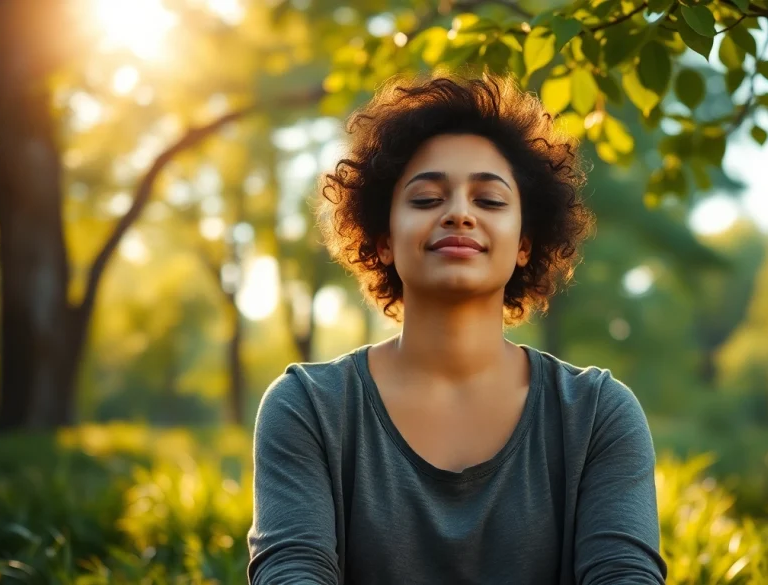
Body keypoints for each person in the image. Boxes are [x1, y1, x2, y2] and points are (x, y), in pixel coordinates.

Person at [247, 73, 668, 585]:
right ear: (382, 239)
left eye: (489, 201)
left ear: (524, 245)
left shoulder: (597, 414)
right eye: (426, 200)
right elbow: (293, 572)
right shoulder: (308, 407)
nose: (459, 214)